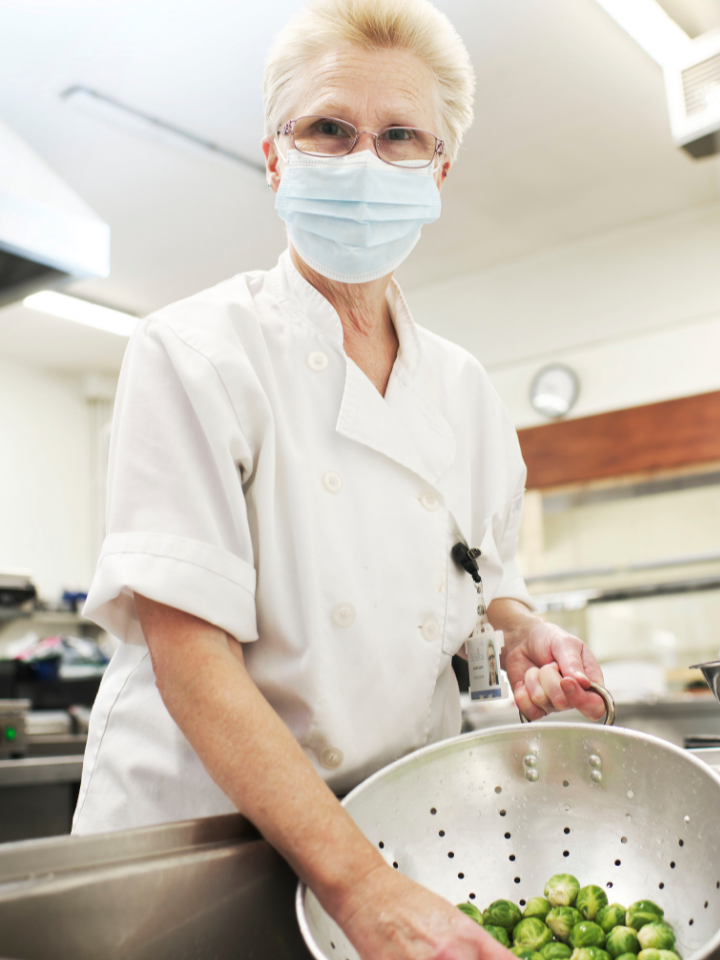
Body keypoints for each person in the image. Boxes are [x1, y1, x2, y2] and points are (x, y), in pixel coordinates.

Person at [72, 0, 605, 957]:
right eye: (328, 128)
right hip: (201, 850)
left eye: (401, 135)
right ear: (276, 158)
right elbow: (192, 660)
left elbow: (485, 581)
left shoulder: (465, 390)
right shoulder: (194, 354)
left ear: (440, 171)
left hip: (398, 830)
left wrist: (523, 632)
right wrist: (362, 887)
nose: (365, 160)